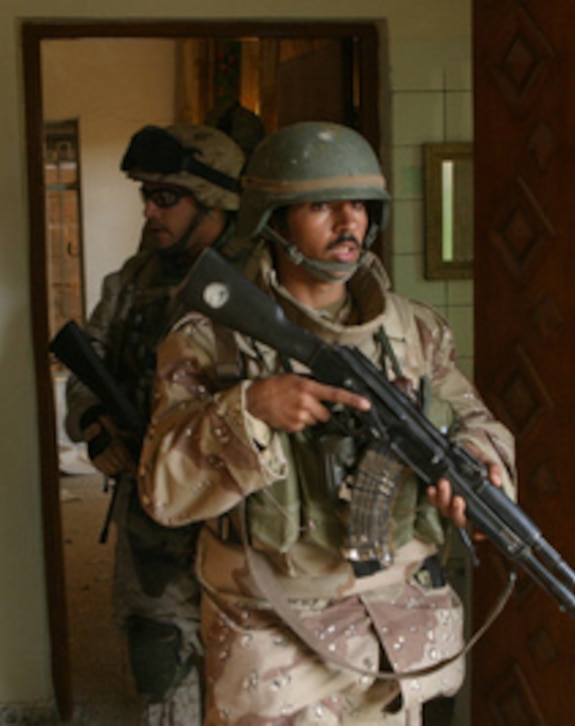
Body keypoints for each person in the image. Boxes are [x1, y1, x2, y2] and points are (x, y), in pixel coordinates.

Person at [138, 121, 517, 724]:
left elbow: (477, 421)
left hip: (393, 634)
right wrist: (250, 410)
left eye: (361, 205)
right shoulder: (211, 341)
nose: (350, 223)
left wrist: (481, 464)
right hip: (275, 639)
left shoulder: (413, 331)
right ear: (274, 218)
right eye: (321, 205)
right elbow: (162, 491)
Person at [63, 123, 251, 724]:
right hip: (153, 520)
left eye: (166, 196)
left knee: (255, 671)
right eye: (147, 194)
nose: (149, 209)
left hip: (246, 521)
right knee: (158, 659)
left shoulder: (261, 283)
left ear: (215, 201)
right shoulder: (134, 281)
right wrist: (95, 425)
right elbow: (85, 368)